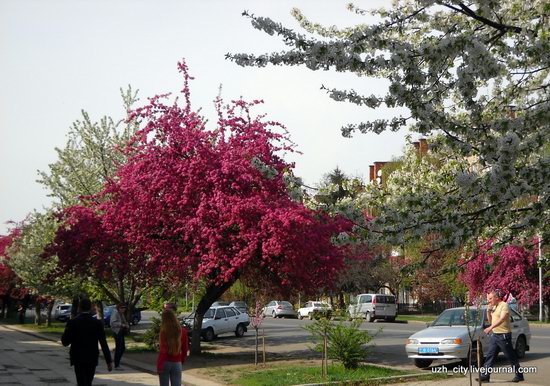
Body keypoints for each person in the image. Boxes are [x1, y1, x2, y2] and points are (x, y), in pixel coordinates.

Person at [61, 298, 113, 386]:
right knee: (88, 381)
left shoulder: (73, 322)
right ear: (91, 308)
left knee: (80, 381)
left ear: (79, 308)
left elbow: (65, 342)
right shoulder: (97, 323)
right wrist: (109, 361)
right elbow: (103, 343)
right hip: (92, 357)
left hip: (78, 357)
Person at [478, 289, 524, 383]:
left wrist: (490, 328)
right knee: (490, 355)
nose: (489, 300)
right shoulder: (494, 307)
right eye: (488, 298)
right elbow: (491, 321)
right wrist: (488, 312)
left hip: (503, 335)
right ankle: (485, 376)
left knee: (510, 356)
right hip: (495, 335)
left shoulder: (504, 305)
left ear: (496, 297)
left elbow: (502, 319)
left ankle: (519, 375)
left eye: (490, 298)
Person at [157, 309, 189, 386]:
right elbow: (185, 348)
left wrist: (160, 364)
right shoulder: (182, 331)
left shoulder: (163, 331)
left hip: (165, 362)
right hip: (177, 362)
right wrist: (182, 360)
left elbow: (163, 350)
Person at [111, 303, 129, 370]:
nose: (124, 310)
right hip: (117, 332)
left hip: (120, 332)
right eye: (123, 308)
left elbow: (124, 321)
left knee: (122, 348)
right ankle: (116, 365)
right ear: (119, 308)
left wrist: (126, 324)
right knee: (119, 348)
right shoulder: (115, 313)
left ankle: (117, 363)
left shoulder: (121, 313)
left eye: (124, 309)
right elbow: (112, 323)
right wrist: (122, 325)